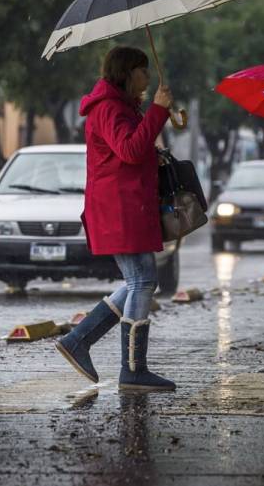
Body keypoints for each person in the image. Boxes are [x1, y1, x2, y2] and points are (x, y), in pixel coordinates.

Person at [56, 45, 176, 391]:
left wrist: (156, 115)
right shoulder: (109, 108)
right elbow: (129, 150)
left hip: (127, 206)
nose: (147, 77)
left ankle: (80, 340)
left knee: (139, 279)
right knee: (142, 280)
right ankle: (133, 370)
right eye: (142, 71)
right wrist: (157, 111)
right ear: (126, 73)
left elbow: (133, 150)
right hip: (119, 208)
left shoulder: (121, 107)